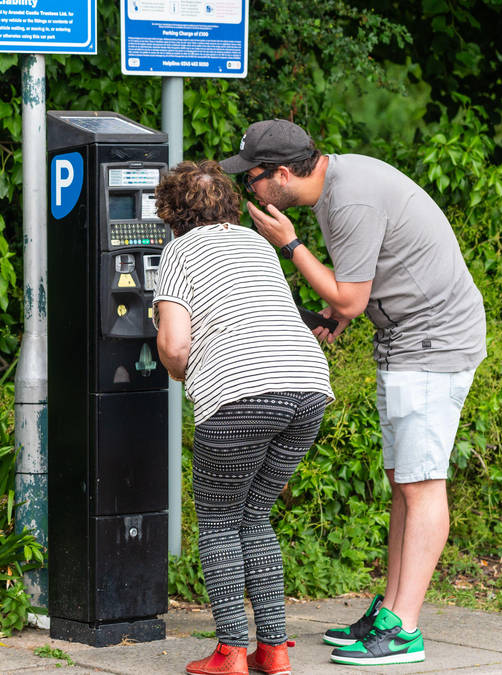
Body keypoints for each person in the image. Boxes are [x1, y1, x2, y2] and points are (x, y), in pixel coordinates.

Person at [219, 120, 486, 667]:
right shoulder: (336, 187)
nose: (249, 189)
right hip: (406, 340)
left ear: (283, 175)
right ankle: (389, 609)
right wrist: (339, 315)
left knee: (422, 483)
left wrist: (289, 244)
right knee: (402, 481)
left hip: (433, 343)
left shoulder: (349, 201)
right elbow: (360, 281)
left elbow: (350, 296)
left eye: (252, 178)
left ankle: (404, 629)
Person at [153, 160, 334, 675]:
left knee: (216, 522)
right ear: (230, 204)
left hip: (240, 394)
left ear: (172, 211)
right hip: (307, 390)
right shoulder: (258, 245)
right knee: (254, 516)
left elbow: (174, 343)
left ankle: (231, 652)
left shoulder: (180, 251)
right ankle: (273, 650)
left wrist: (179, 371)